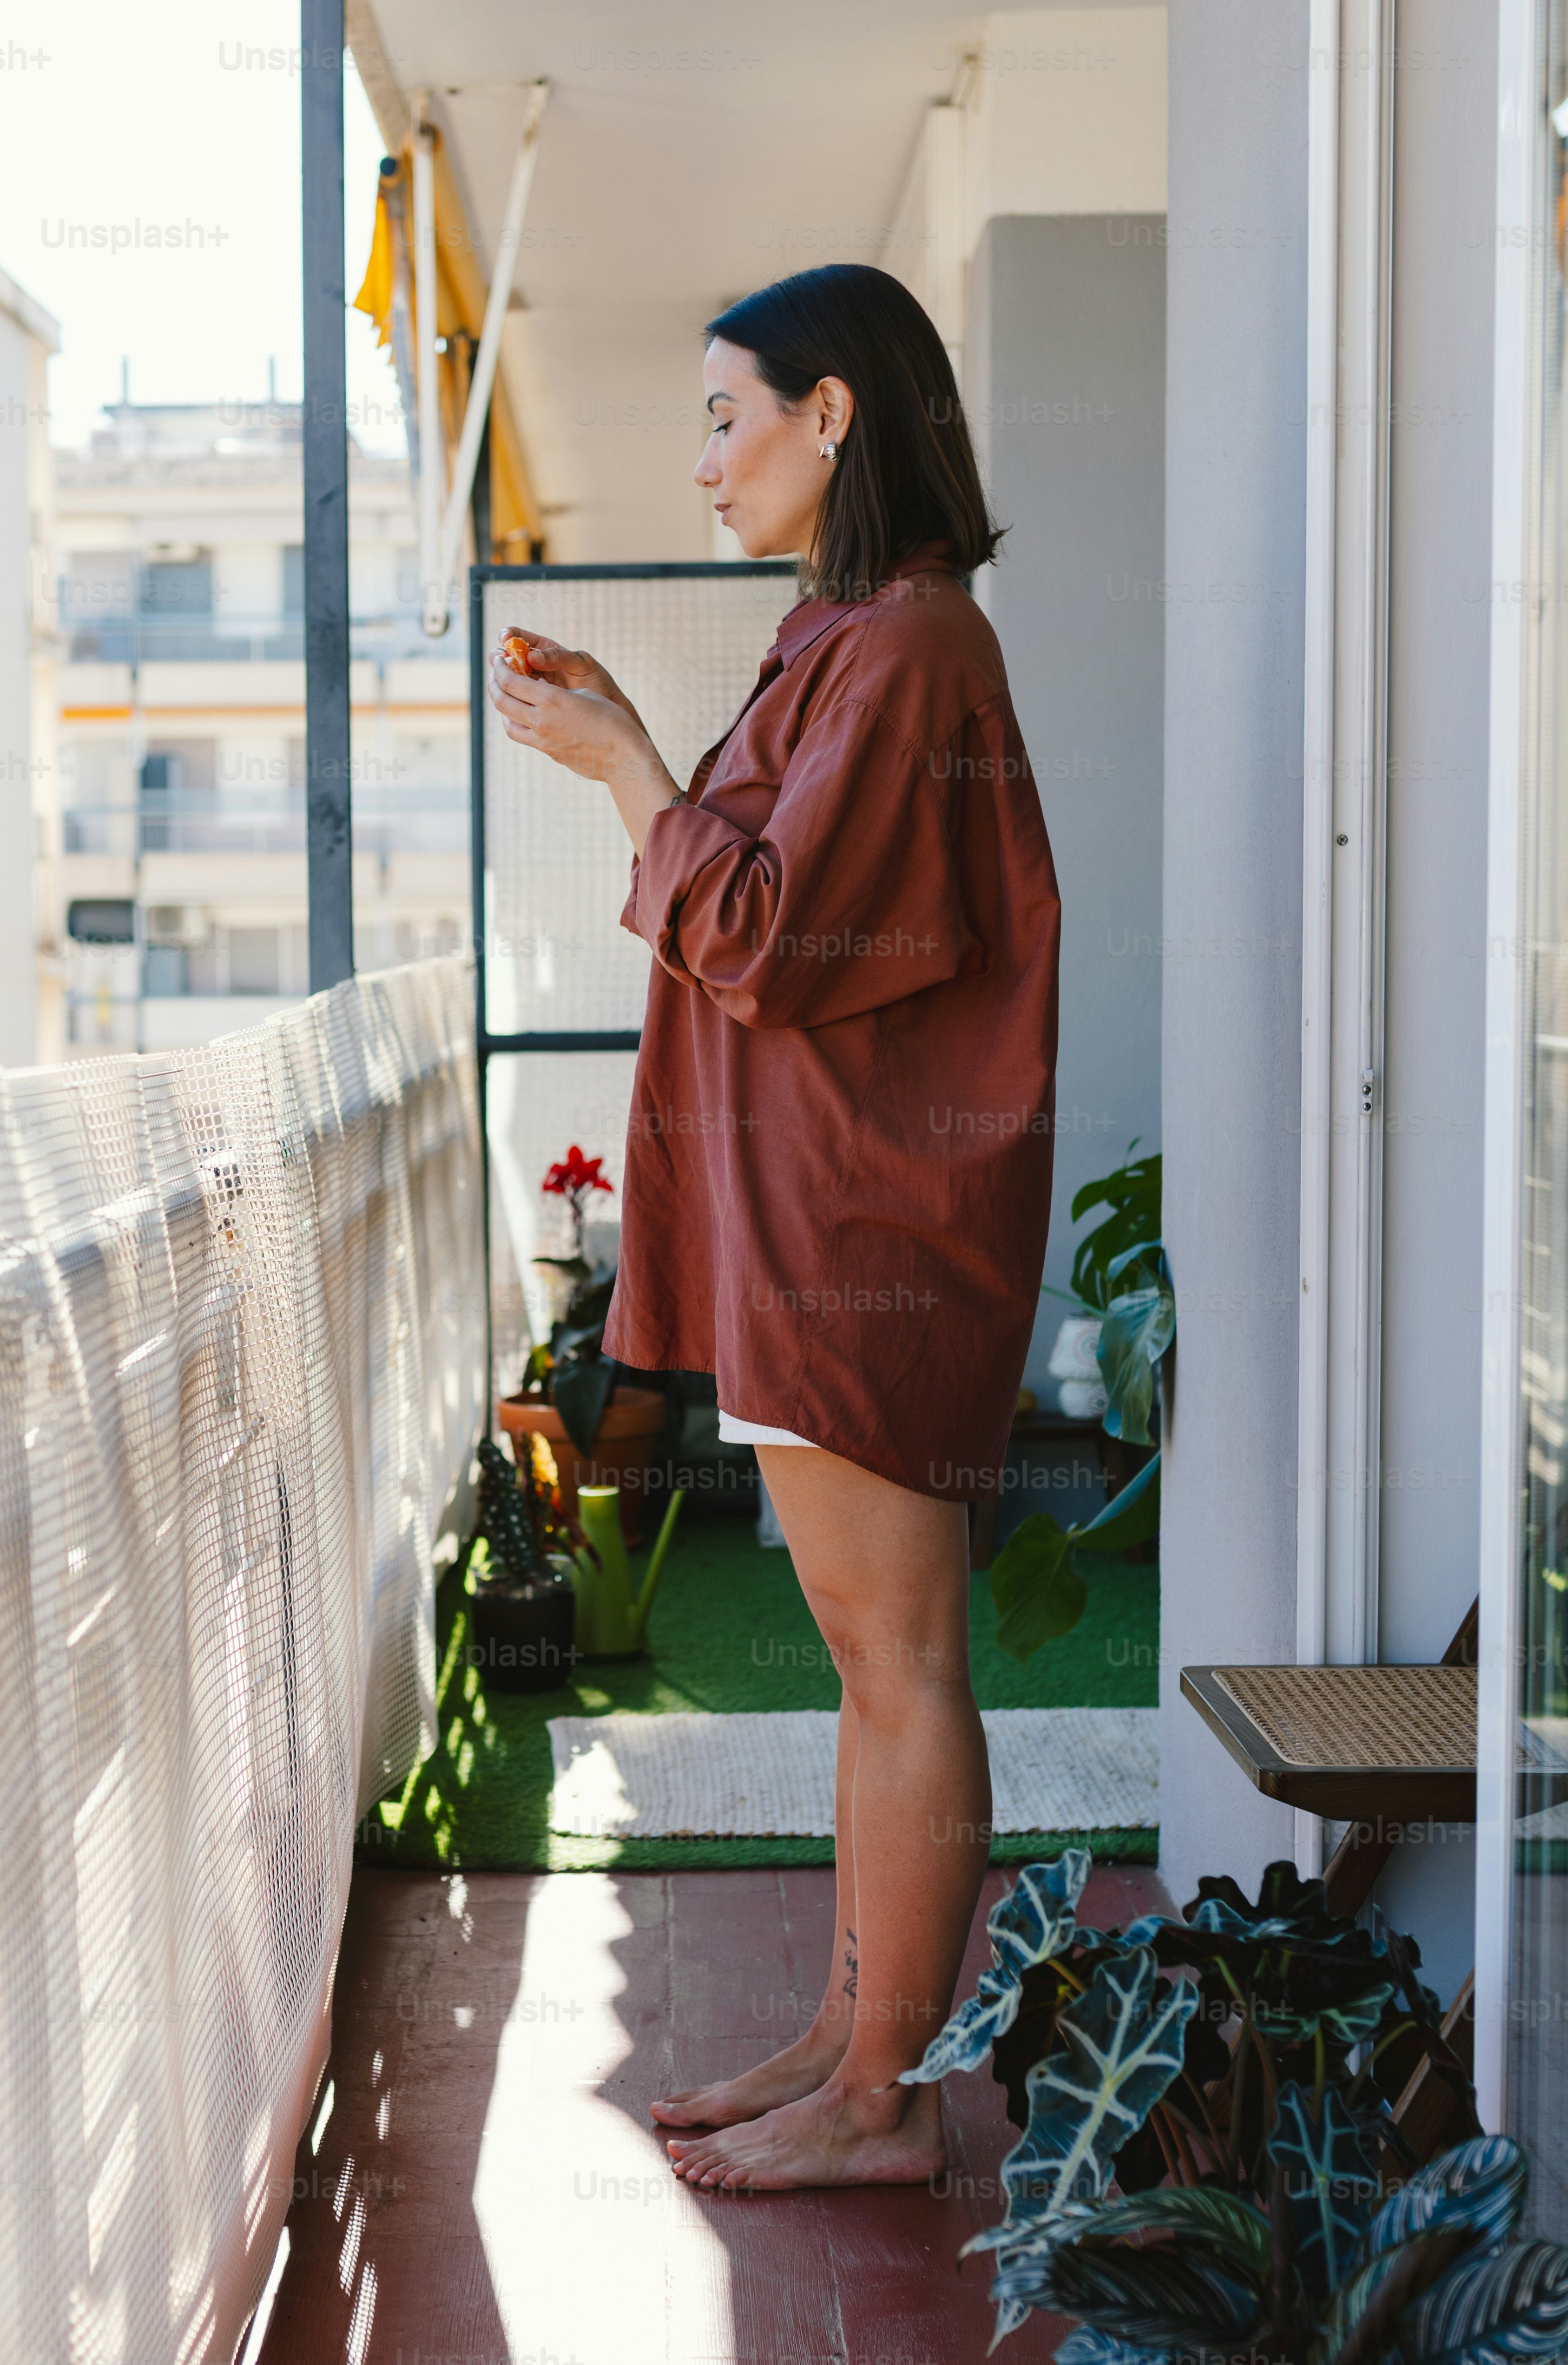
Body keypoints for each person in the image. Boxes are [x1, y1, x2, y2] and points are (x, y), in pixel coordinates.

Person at [491, 262, 1062, 2191]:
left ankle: (883, 2108)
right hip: (816, 1212)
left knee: (901, 1659)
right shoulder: (848, 638)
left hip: (868, 1226)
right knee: (858, 1654)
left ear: (835, 418)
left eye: (729, 414)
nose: (707, 458)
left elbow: (775, 936)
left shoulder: (905, 651)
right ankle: (848, 2040)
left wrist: (631, 768)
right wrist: (641, 738)